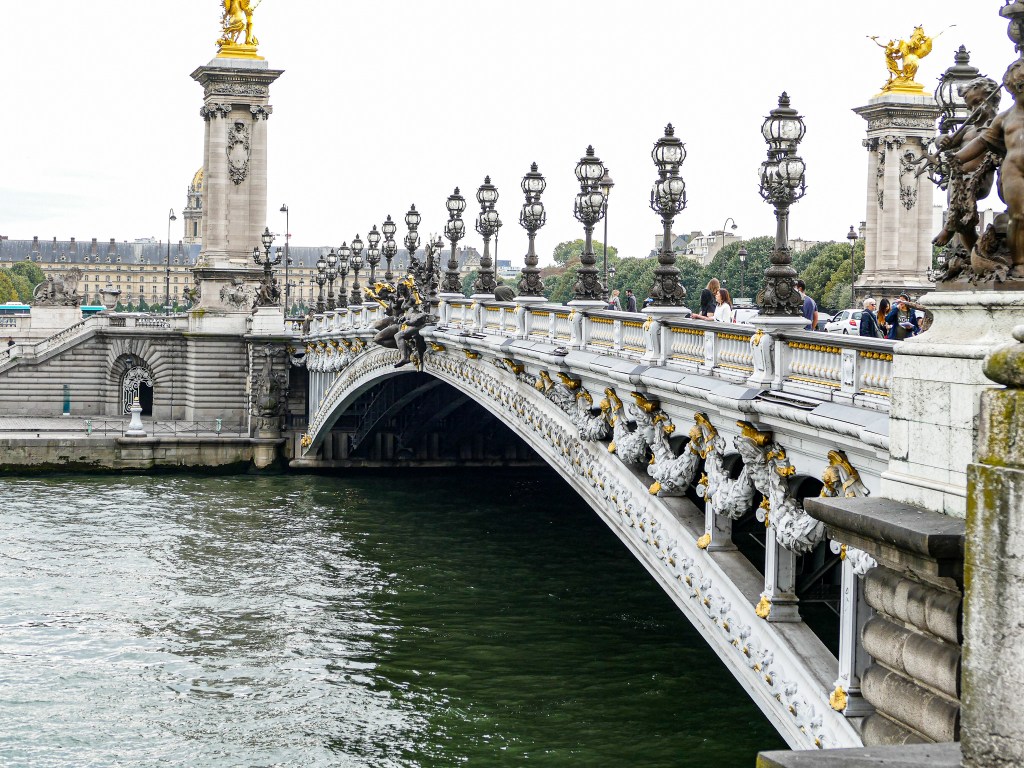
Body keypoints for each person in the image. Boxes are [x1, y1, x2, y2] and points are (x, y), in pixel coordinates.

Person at [954, 58, 1024, 277]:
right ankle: (1020, 264)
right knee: (1019, 217)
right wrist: (957, 157)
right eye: (1019, 86)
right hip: (1014, 172)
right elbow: (982, 142)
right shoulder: (1005, 118)